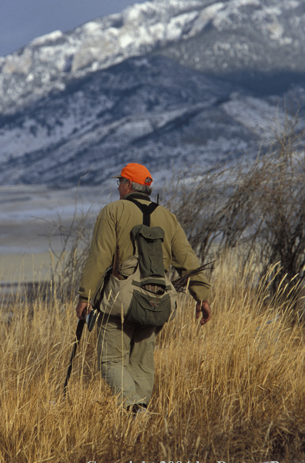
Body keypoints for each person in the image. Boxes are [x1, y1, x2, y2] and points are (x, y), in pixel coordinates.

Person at [76, 163, 211, 412]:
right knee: (142, 362)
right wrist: (202, 296)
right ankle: (140, 415)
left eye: (120, 183)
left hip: (120, 301)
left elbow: (99, 257)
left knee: (111, 361)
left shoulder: (113, 211)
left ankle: (133, 410)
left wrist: (85, 295)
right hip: (157, 301)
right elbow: (187, 259)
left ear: (128, 185)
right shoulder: (167, 217)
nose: (118, 188)